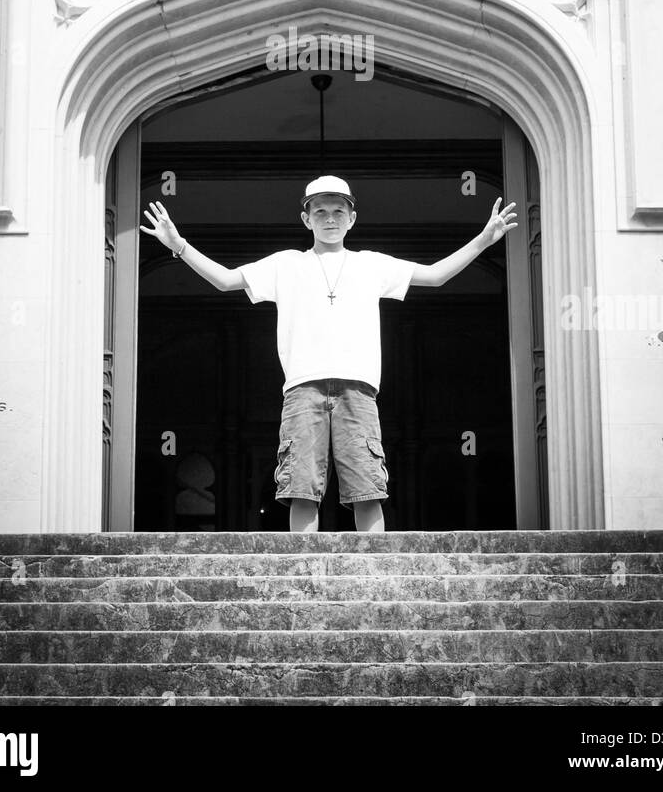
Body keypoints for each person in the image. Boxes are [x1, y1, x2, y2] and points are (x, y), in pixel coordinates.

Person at [140, 176, 517, 533]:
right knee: (301, 491)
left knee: (368, 490)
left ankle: (372, 581)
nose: (330, 218)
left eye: (338, 211)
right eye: (320, 211)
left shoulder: (371, 263)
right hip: (304, 390)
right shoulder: (285, 264)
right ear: (306, 218)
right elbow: (225, 280)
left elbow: (435, 276)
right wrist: (179, 245)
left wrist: (484, 240)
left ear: (352, 218)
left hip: (359, 390)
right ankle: (306, 581)